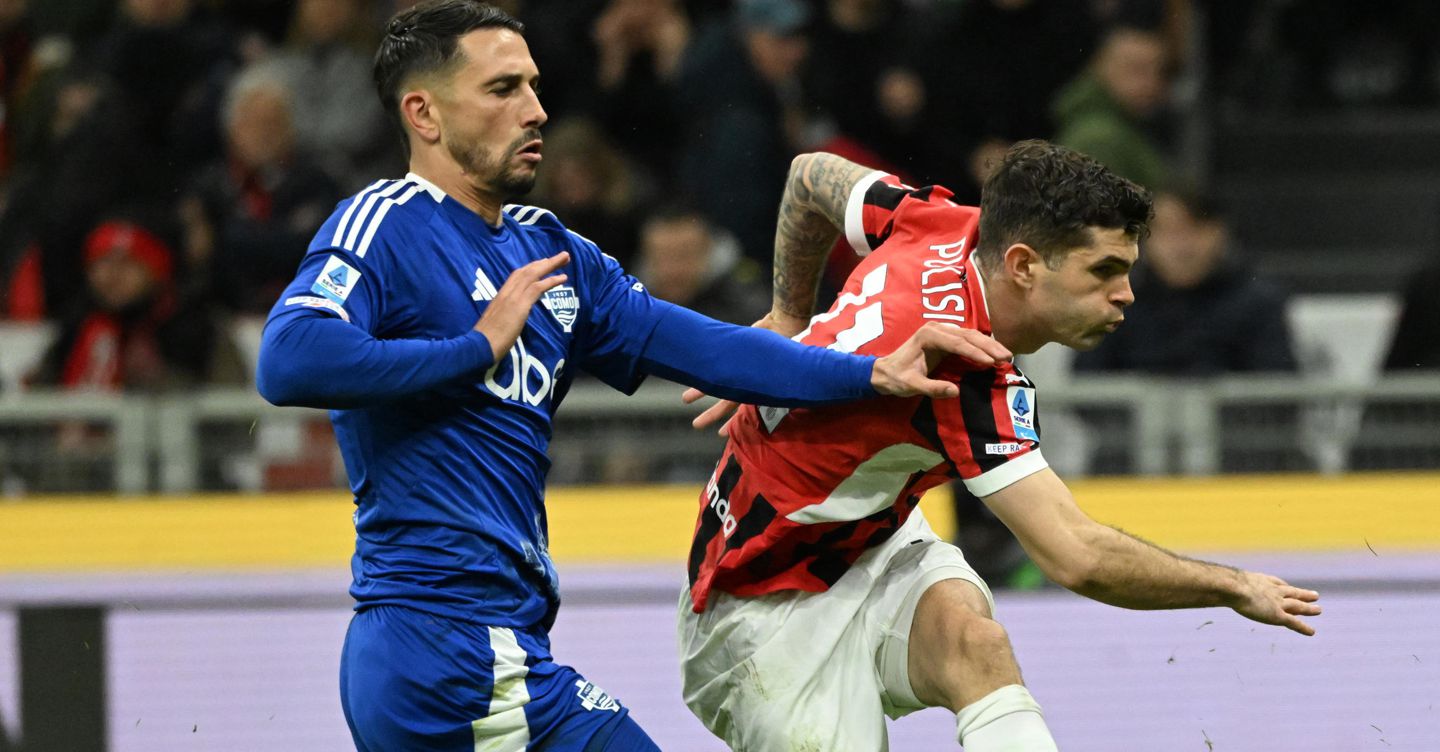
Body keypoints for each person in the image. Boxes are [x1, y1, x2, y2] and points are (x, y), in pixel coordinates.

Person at [253, 3, 1001, 750]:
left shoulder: (550, 254)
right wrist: (476, 348)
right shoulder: (385, 223)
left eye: (533, 85)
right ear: (424, 113)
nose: (535, 110)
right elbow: (288, 358)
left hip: (493, 641)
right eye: (503, 89)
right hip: (441, 647)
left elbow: (708, 349)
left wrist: (869, 373)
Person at [676, 142, 1323, 751]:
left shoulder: (942, 224)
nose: (1126, 293)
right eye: (1104, 271)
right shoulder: (958, 373)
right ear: (1022, 265)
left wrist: (788, 321)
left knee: (976, 647)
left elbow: (810, 175)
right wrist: (1234, 586)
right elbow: (1078, 558)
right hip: (759, 611)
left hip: (868, 542)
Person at [1074, 187, 1297, 375]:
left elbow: (1276, 392)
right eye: (1167, 231)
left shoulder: (1259, 304)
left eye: (1193, 229)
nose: (1181, 246)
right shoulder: (1111, 302)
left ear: (1220, 233)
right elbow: (1087, 392)